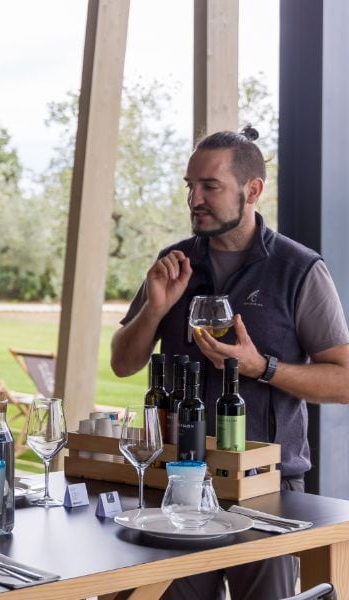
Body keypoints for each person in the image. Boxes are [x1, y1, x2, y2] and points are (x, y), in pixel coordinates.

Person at [111, 126, 349, 600]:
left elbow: (344, 381)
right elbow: (123, 362)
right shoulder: (173, 262)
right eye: (189, 186)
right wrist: (156, 307)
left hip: (267, 489)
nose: (194, 198)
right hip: (177, 484)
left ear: (252, 190)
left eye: (210, 186)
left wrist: (262, 366)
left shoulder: (298, 269)